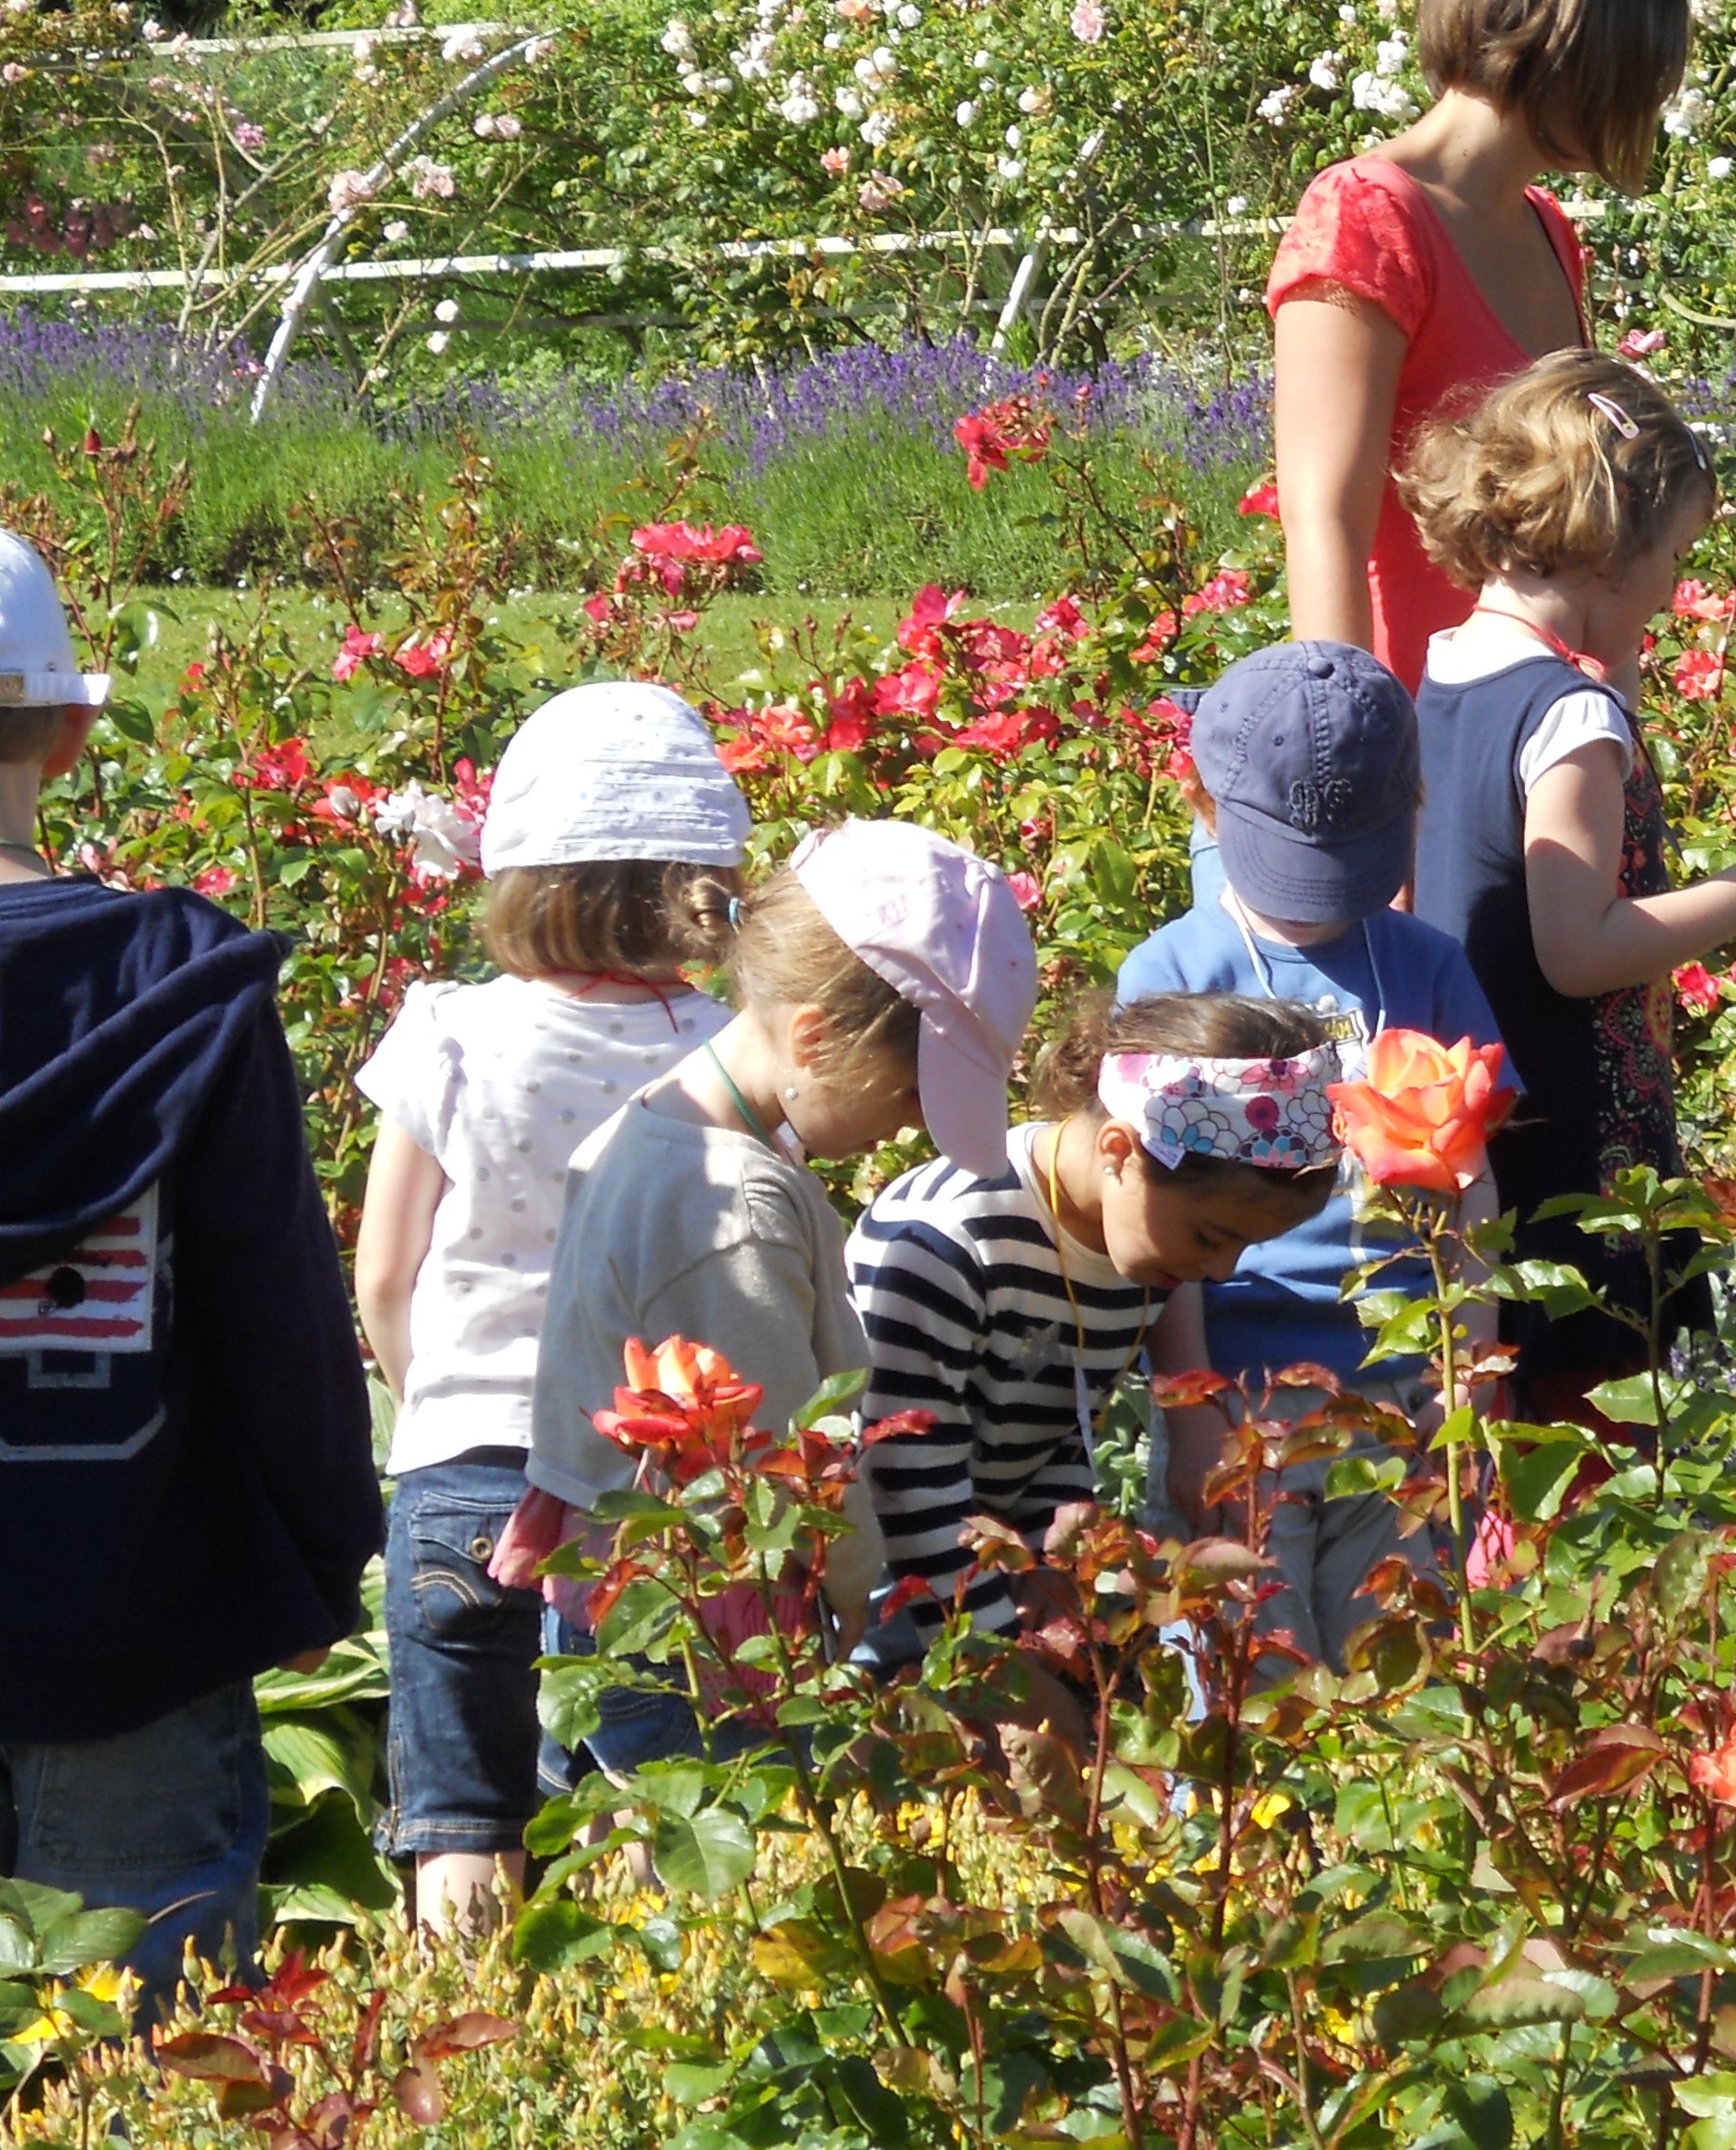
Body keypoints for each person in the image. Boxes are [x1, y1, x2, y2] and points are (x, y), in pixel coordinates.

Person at [0, 529, 378, 1993]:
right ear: (77, 732)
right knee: (144, 2085)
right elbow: (276, 1305)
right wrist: (322, 1558)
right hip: (137, 1626)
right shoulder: (179, 992)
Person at [504, 820, 1036, 1770]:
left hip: (619, 1608)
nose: (909, 1128)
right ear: (817, 1037)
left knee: (628, 1873)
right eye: (913, 1096)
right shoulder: (735, 1208)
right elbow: (795, 1471)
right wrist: (877, 1606)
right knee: (729, 1880)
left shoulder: (648, 1126)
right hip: (707, 1641)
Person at [352, 682, 746, 1937]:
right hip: (641, 1479)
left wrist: (439, 1409)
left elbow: (381, 1273)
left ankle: (460, 2084)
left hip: (463, 1469)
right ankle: (619, 2065)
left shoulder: (453, 1033)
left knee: (462, 1832)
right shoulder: (725, 1054)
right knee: (636, 1801)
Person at [1405, 354, 1736, 1427]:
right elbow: (1579, 946)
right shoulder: (1570, 721)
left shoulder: (1448, 669)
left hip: (1476, 1117)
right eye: (1675, 556)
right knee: (1586, 1429)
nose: (1676, 587)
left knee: (1489, 1409)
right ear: (1613, 553)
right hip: (1575, 1136)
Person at [1117, 641, 1516, 1670]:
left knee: (1401, 1662)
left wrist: (1466, 1357)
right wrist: (1191, 1402)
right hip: (1244, 1393)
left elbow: (1471, 1183)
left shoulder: (1420, 964)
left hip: (1395, 1391)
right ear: (1206, 807)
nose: (1313, 897)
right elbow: (1156, 1221)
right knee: (1260, 1665)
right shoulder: (1178, 971)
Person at [1268, 0, 1697, 692]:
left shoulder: (1547, 227)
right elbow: (1324, 518)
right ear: (1577, 58)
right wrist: (1356, 752)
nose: (1646, 110)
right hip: (1419, 722)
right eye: (1639, 80)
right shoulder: (1367, 216)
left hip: (1535, 724)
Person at [849, 991, 1346, 1691]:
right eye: (1212, 1238)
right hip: (886, 1606)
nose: (1218, 1271)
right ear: (1120, 1150)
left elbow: (1057, 1425)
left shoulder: (1131, 1243)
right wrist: (1013, 1679)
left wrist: (1056, 1573)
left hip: (987, 1583)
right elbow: (907, 1493)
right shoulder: (946, 1245)